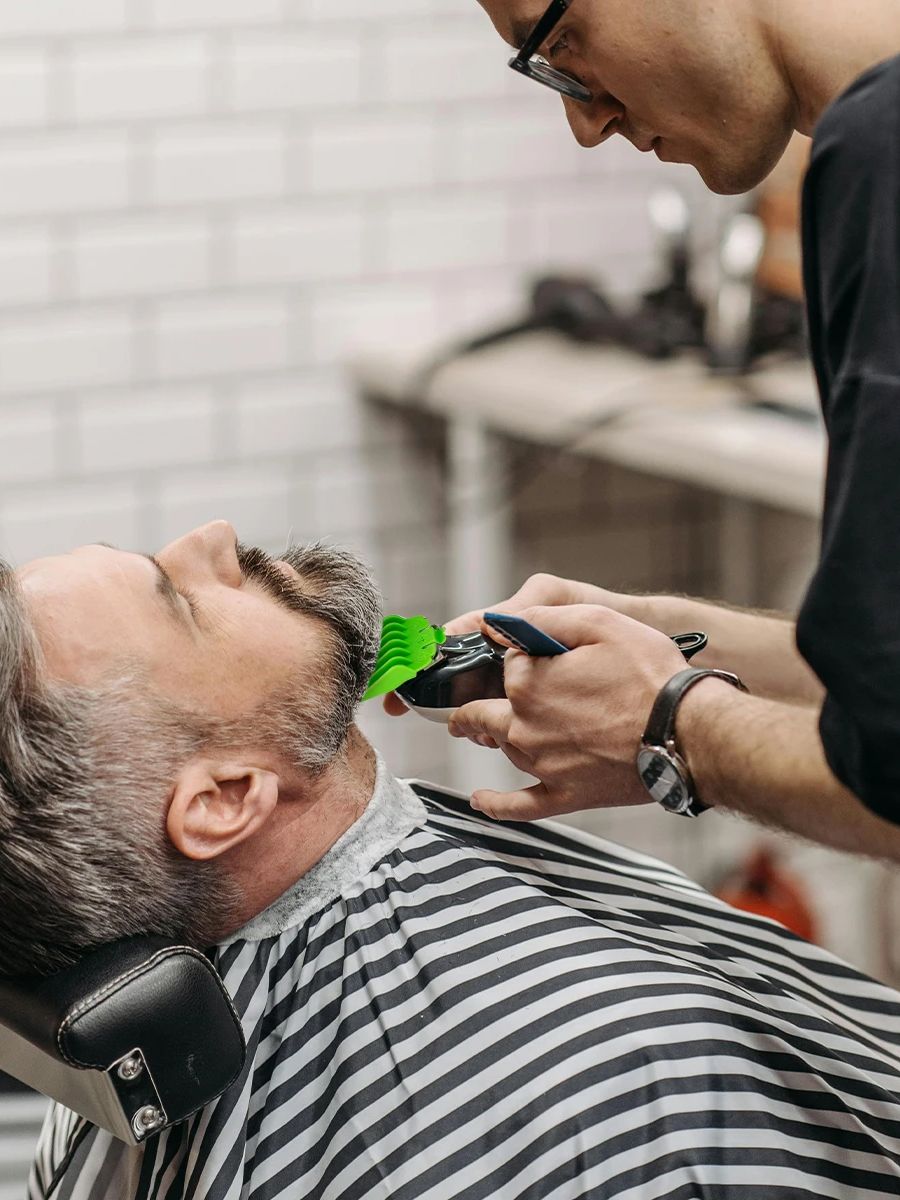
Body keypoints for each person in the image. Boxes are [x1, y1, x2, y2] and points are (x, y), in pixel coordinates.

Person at [11, 522, 900, 1199]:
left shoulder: (109, 1105)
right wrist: (680, 721)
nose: (209, 538)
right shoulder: (617, 1087)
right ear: (226, 798)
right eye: (180, 598)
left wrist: (675, 642)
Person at [423, 0, 900, 854]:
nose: (586, 125)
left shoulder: (882, 152)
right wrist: (658, 634)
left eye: (560, 40)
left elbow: (887, 781)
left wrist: (666, 721)